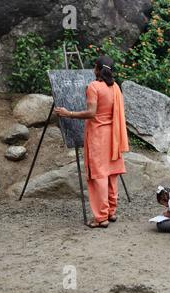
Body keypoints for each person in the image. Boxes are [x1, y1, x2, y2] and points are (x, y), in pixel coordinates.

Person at [54, 56, 129, 228]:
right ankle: (111, 211)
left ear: (96, 69)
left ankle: (101, 217)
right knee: (111, 174)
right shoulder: (115, 87)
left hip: (98, 137)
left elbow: (91, 113)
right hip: (113, 136)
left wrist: (68, 113)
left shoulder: (94, 87)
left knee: (99, 175)